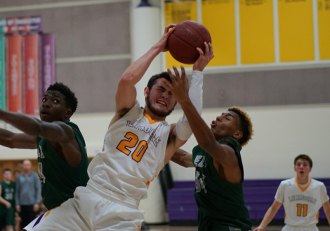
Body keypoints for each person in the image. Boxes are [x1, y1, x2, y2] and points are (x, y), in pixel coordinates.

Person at [23, 24, 214, 230]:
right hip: (87, 197)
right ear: (147, 91)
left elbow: (193, 118)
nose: (165, 96)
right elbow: (126, 80)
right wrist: (159, 47)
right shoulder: (128, 111)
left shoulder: (171, 136)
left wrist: (198, 72)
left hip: (123, 212)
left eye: (171, 94)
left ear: (177, 102)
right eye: (161, 89)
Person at [170, 70, 254, 231]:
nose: (220, 117)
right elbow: (184, 159)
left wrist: (184, 99)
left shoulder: (229, 153)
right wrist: (153, 141)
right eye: (221, 115)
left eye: (227, 118)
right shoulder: (206, 153)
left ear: (237, 133)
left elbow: (208, 142)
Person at [0, 82, 89, 215]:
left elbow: (38, 126)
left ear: (67, 113)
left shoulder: (67, 131)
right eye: (44, 99)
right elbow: (11, 140)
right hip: (59, 211)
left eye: (55, 101)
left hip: (75, 211)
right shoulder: (44, 138)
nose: (46, 104)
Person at [253, 154, 330, 231]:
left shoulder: (319, 186)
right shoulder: (285, 185)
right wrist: (262, 226)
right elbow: (274, 208)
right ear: (294, 168)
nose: (301, 167)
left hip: (311, 228)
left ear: (310, 169)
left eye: (305, 165)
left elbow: (327, 209)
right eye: (298, 164)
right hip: (290, 227)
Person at [15, 160, 40, 230]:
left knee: (32, 224)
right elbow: (17, 191)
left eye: (28, 165)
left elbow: (38, 190)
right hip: (22, 204)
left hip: (32, 204)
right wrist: (17, 203)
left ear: (30, 166)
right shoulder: (19, 177)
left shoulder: (35, 176)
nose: (26, 167)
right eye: (25, 165)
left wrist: (37, 203)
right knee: (23, 224)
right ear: (23, 166)